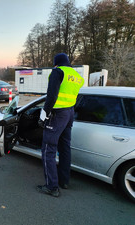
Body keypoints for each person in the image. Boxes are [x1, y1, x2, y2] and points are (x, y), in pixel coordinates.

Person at [37, 53, 84, 197]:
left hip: (57, 115)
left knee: (48, 150)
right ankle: (64, 181)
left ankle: (52, 187)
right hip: (70, 113)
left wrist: (44, 115)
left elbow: (51, 96)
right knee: (65, 148)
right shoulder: (77, 76)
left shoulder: (58, 72)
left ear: (56, 63)